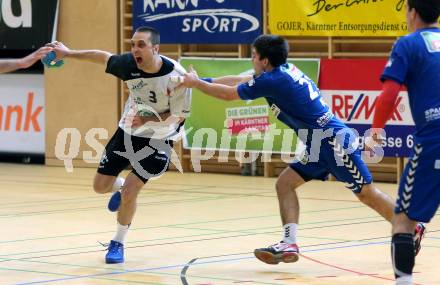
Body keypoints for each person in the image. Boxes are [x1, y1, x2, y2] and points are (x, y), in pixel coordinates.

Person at [178, 34, 424, 265]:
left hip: (333, 142)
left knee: (366, 194)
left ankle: (411, 228)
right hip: (317, 145)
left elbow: (231, 95)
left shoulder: (274, 80)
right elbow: (240, 80)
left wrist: (197, 84)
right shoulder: (281, 71)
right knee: (284, 184)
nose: (252, 60)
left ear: (264, 60)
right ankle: (289, 244)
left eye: (253, 55)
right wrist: (201, 81)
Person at [49, 26, 191, 264]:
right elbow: (102, 57)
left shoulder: (176, 76)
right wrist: (69, 53)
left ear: (156, 49)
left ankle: (118, 242)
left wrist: (147, 119)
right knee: (99, 186)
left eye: (141, 45)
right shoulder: (128, 64)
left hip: (159, 138)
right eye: (133, 44)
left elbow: (178, 116)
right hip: (128, 131)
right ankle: (121, 186)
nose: (135, 49)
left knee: (130, 193)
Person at [368, 0, 440, 284]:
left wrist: (376, 131)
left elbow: (390, 94)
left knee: (403, 221)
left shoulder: (408, 44)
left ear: (412, 13)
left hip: (433, 140)